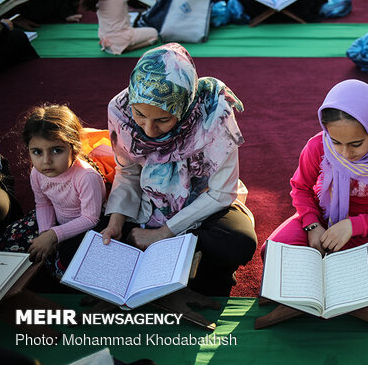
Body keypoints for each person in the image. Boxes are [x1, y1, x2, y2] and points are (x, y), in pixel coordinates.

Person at [101, 43, 257, 296]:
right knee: (92, 237)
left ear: (184, 106)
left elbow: (220, 194)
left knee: (237, 242)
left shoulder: (214, 118)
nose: (148, 130)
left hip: (205, 204)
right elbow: (127, 172)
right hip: (149, 203)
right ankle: (190, 259)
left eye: (163, 119)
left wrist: (164, 233)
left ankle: (185, 254)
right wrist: (116, 220)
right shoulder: (119, 110)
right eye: (140, 114)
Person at [261, 79, 368, 262]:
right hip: (322, 220)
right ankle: (341, 252)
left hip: (366, 228)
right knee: (273, 250)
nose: (345, 153)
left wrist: (352, 227)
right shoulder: (318, 146)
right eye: (336, 142)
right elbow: (301, 188)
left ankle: (328, 252)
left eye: (356, 144)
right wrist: (312, 226)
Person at [0, 105, 106, 271]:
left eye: (56, 150)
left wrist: (54, 235)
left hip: (87, 226)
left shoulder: (86, 177)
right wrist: (45, 232)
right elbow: (43, 204)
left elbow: (90, 219)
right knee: (8, 241)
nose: (46, 160)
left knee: (74, 263)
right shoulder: (37, 173)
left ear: (74, 149)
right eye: (37, 152)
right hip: (56, 220)